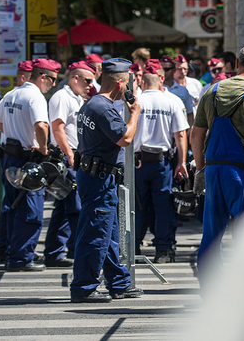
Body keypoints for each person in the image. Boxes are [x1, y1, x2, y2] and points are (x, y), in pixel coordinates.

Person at [191, 45, 244, 284]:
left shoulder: (212, 90)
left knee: (212, 234)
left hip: (214, 169)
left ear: (237, 63)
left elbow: (196, 135)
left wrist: (201, 167)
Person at [71, 58, 143, 303]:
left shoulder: (93, 104)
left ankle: (118, 282)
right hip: (99, 178)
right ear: (121, 82)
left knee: (108, 233)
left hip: (96, 176)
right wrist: (134, 115)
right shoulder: (103, 107)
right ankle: (84, 287)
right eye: (128, 81)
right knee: (96, 232)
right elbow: (124, 138)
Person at [0, 58, 58, 271]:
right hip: (27, 158)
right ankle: (21, 258)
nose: (54, 85)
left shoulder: (13, 93)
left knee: (12, 206)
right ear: (43, 77)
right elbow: (41, 125)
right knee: (30, 210)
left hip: (10, 156)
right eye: (53, 80)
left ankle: (12, 252)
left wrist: (11, 131)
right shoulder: (35, 96)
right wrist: (43, 148)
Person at [133, 61, 189, 263]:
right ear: (160, 80)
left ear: (143, 81)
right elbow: (181, 135)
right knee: (163, 206)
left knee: (137, 206)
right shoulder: (172, 101)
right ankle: (164, 250)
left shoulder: (134, 100)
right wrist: (181, 162)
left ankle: (134, 246)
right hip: (162, 163)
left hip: (137, 163)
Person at [43, 61, 96, 268]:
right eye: (88, 80)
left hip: (74, 154)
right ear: (76, 78)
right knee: (73, 207)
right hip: (67, 156)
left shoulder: (76, 97)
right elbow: (58, 128)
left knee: (64, 208)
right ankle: (72, 250)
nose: (91, 85)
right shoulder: (62, 97)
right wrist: (69, 155)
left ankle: (55, 252)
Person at [160, 55, 195, 132]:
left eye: (167, 69)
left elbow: (189, 113)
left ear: (173, 70)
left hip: (180, 130)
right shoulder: (157, 89)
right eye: (162, 69)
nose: (164, 72)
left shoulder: (182, 90)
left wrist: (189, 131)